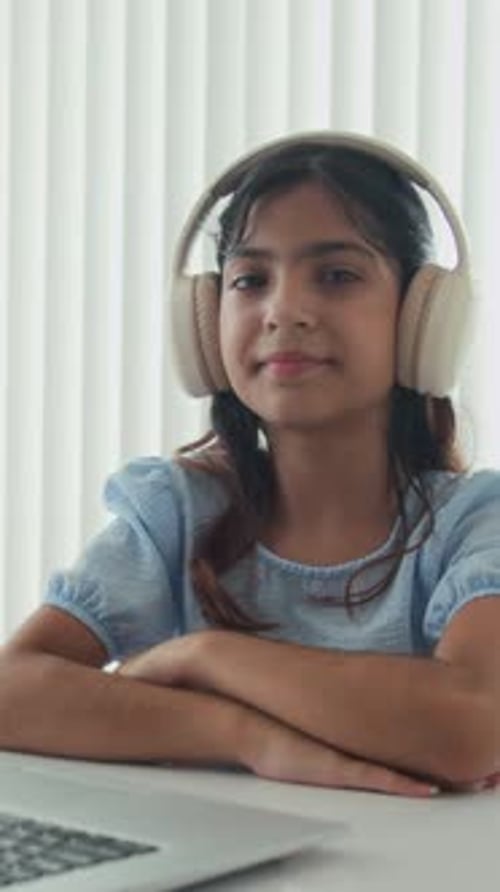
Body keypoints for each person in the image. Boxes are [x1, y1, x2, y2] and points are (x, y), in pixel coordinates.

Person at [1, 133, 499, 799]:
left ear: (421, 319)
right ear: (206, 322)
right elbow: (12, 692)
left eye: (337, 275)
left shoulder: (471, 524)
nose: (284, 311)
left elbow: (473, 728)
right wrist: (243, 736)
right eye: (250, 280)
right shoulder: (177, 511)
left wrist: (206, 655)